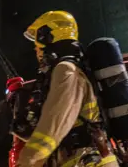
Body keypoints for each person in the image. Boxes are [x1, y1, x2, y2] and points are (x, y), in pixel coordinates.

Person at [17, 11, 119, 167]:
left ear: (48, 37)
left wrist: (27, 162)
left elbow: (54, 124)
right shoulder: (68, 70)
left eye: (37, 42)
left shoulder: (66, 70)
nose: (36, 49)